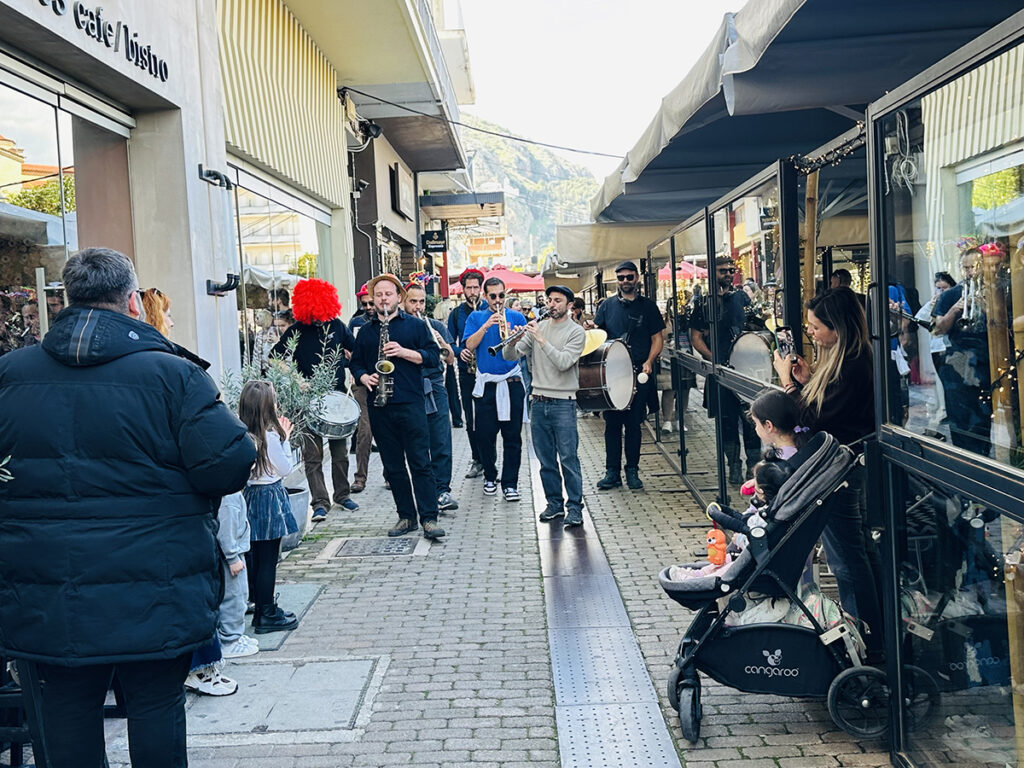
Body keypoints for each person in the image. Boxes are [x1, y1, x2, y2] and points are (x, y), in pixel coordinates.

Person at [0, 247, 256, 768]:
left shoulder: (10, 375)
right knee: (157, 713)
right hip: (155, 587)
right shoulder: (173, 375)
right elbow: (228, 464)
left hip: (47, 593)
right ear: (132, 302)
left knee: (66, 723)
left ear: (67, 298)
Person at [773, 286, 883, 658]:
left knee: (848, 559)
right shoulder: (844, 361)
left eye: (816, 327)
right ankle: (871, 632)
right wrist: (805, 382)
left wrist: (787, 383)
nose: (812, 334)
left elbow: (811, 420)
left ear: (838, 327)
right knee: (854, 554)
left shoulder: (853, 366)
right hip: (842, 468)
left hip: (840, 472)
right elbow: (824, 408)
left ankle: (867, 640)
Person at [351, 274, 445, 539]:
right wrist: (362, 376)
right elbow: (356, 362)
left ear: (398, 297)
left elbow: (433, 359)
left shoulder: (415, 326)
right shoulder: (367, 331)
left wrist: (404, 352)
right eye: (378, 295)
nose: (383, 299)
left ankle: (429, 518)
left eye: (388, 294)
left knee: (420, 463)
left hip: (411, 403)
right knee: (393, 466)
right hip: (380, 406)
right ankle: (406, 517)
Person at [271, 278, 358, 521]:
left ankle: (343, 494)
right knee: (313, 455)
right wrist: (297, 379)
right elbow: (274, 358)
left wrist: (353, 371)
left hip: (337, 400)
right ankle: (320, 502)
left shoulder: (338, 326)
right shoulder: (295, 331)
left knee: (340, 452)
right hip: (308, 401)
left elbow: (355, 349)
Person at [504, 285, 586, 526]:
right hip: (538, 401)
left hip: (563, 402)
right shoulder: (539, 327)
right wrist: (513, 340)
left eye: (557, 300)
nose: (551, 304)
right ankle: (554, 504)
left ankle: (575, 507)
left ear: (569, 305)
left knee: (568, 458)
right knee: (546, 459)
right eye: (549, 300)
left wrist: (540, 339)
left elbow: (563, 362)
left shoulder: (576, 332)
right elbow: (511, 356)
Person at [594, 260, 665, 490]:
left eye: (629, 277)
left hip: (638, 372)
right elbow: (597, 336)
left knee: (634, 425)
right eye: (621, 277)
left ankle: (632, 471)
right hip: (612, 374)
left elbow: (657, 338)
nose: (625, 281)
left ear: (637, 279)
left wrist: (649, 361)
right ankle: (611, 472)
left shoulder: (648, 307)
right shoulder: (606, 306)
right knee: (612, 425)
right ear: (617, 280)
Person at [690, 256, 760, 485]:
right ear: (713, 274)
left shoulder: (741, 297)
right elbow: (696, 337)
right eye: (723, 271)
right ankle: (734, 466)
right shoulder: (703, 303)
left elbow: (755, 326)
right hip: (720, 373)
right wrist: (713, 360)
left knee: (752, 422)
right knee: (726, 423)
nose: (728, 274)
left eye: (731, 270)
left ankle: (753, 467)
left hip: (745, 371)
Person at [238, 380, 300, 633]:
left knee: (255, 556)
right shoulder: (270, 437)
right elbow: (285, 469)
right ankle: (266, 613)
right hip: (270, 497)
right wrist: (286, 438)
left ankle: (258, 603)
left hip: (251, 495)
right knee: (268, 559)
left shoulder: (243, 433)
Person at [464, 276, 528, 500]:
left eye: (502, 295)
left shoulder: (517, 316)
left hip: (511, 382)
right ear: (485, 296)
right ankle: (490, 476)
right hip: (487, 384)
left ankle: (510, 484)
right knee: (484, 435)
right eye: (493, 296)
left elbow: (523, 350)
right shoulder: (475, 317)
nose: (498, 300)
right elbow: (469, 345)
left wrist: (514, 335)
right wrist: (486, 326)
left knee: (512, 437)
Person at [404, 282, 459, 513]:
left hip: (435, 386)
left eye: (421, 302)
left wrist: (442, 342)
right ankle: (423, 493)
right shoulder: (401, 327)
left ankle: (442, 490)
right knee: (416, 442)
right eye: (413, 301)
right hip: (411, 388)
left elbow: (450, 359)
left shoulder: (435, 325)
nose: (418, 306)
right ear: (403, 302)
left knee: (441, 439)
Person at [931, 248, 992, 454]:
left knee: (984, 420)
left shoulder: (994, 292)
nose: (969, 273)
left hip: (987, 363)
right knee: (960, 419)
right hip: (959, 365)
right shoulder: (951, 295)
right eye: (965, 268)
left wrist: (989, 307)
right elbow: (937, 329)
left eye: (973, 267)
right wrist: (955, 310)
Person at [448, 268, 487, 477]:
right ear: (462, 290)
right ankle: (477, 459)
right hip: (467, 371)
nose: (472, 292)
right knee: (470, 418)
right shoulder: (456, 314)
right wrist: (459, 351)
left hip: (488, 372)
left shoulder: (489, 309)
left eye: (475, 287)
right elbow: (448, 343)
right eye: (468, 288)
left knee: (489, 418)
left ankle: (489, 460)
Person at [216, 491, 259, 658]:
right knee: (233, 597)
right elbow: (226, 530)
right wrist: (232, 557)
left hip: (236, 552)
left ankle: (235, 636)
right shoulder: (229, 497)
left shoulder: (232, 494)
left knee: (240, 594)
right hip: (231, 556)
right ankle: (229, 640)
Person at [349, 284, 375, 492]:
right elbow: (347, 348)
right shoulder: (356, 322)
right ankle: (360, 477)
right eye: (364, 303)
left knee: (389, 431)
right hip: (362, 382)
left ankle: (389, 475)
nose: (367, 307)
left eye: (370, 303)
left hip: (385, 381)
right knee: (364, 432)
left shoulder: (388, 321)